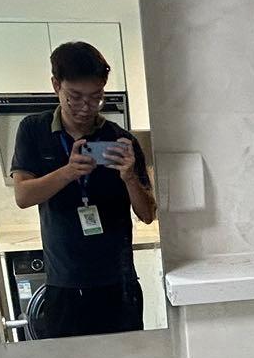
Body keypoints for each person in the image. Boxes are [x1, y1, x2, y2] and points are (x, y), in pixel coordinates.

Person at [9, 41, 155, 338]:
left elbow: (148, 214)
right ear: (56, 85)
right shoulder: (33, 130)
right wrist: (69, 172)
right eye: (75, 97)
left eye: (96, 97)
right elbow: (23, 196)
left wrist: (129, 177)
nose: (86, 107)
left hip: (120, 285)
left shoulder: (120, 139)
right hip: (64, 284)